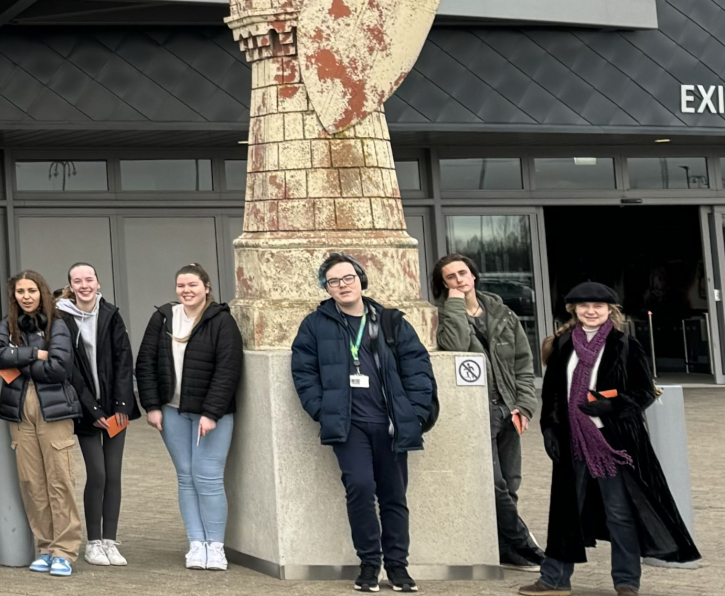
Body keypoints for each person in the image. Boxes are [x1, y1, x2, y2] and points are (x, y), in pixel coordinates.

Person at [516, 282, 703, 596]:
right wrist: (550, 429)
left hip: (613, 444)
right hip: (572, 440)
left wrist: (613, 405)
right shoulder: (562, 344)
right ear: (574, 310)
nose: (591, 311)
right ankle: (554, 580)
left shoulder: (625, 345)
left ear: (609, 311)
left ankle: (626, 582)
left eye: (598, 306)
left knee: (619, 513)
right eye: (584, 306)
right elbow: (552, 395)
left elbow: (644, 392)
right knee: (565, 512)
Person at [287, 253, 437, 593]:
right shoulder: (315, 325)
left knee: (393, 495)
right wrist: (321, 410)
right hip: (348, 425)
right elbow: (303, 373)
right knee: (360, 487)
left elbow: (418, 367)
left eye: (348, 278)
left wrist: (414, 413)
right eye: (334, 281)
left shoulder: (390, 321)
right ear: (326, 288)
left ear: (361, 280)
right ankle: (370, 563)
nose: (343, 285)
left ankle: (397, 565)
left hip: (391, 423)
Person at [431, 255, 547, 571]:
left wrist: (525, 406)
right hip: (476, 411)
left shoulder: (502, 313)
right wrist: (455, 304)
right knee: (493, 483)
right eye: (451, 277)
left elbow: (523, 364)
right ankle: (525, 544)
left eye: (463, 273)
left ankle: (505, 550)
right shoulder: (443, 315)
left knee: (510, 482)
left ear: (474, 275)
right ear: (444, 284)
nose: (459, 279)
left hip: (508, 407)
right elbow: (455, 346)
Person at [135, 264, 245, 571]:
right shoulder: (163, 318)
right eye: (181, 285)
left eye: (193, 285)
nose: (186, 290)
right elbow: (145, 363)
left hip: (211, 415)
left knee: (208, 478)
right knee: (185, 477)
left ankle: (216, 547)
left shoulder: (221, 321)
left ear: (206, 288)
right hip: (172, 411)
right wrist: (152, 406)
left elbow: (228, 370)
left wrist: (211, 413)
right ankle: (196, 544)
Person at [0, 269, 86, 578]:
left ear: (41, 292)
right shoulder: (7, 325)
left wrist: (18, 360)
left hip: (53, 410)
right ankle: (45, 547)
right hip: (20, 412)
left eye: (31, 290)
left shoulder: (58, 324)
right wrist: (35, 354)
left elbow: (59, 368)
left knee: (60, 480)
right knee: (32, 483)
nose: (26, 296)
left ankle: (64, 550)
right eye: (20, 292)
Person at [56, 263, 136, 567]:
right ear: (71, 286)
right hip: (86, 411)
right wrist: (93, 410)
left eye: (89, 279)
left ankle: (109, 542)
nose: (84, 285)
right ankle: (93, 542)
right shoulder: (62, 319)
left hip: (117, 410)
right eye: (78, 281)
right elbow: (70, 370)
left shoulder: (111, 315)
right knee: (98, 473)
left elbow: (124, 361)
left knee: (113, 474)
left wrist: (122, 405)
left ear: (98, 283)